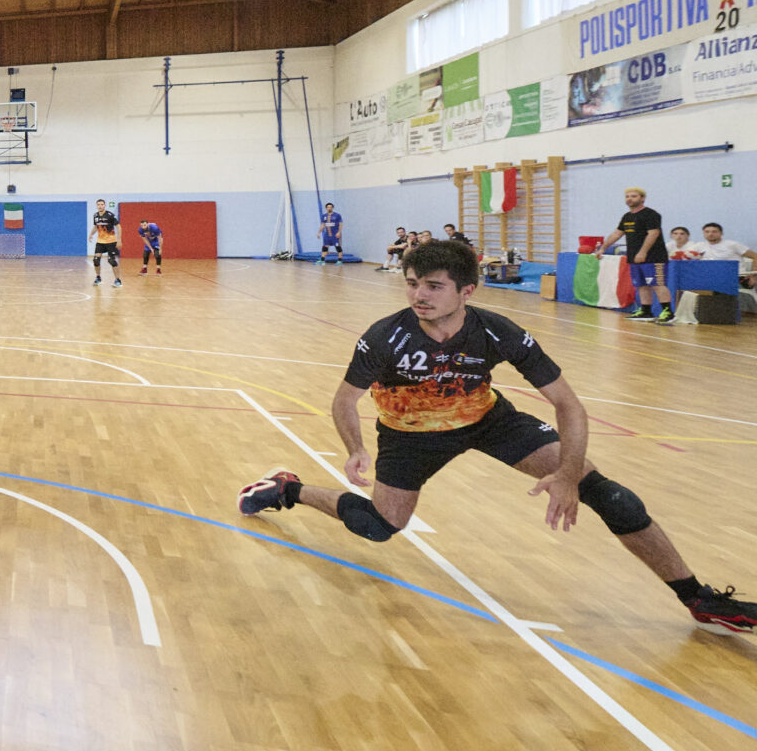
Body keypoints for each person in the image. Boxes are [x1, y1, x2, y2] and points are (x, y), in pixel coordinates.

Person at [239, 239, 755, 635]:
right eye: (413, 282)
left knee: (610, 494)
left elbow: (568, 405)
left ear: (467, 291)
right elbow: (344, 399)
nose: (419, 294)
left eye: (434, 285)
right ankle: (289, 488)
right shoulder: (385, 337)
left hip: (488, 419)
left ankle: (698, 599)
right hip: (409, 434)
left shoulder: (496, 331)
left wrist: (569, 474)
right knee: (378, 528)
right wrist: (356, 448)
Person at [598, 187, 673, 324]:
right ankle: (646, 311)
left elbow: (653, 233)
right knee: (641, 285)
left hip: (653, 257)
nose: (630, 199)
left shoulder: (651, 214)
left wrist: (643, 252)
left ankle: (668, 312)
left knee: (658, 284)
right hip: (634, 258)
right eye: (627, 196)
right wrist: (603, 247)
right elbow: (617, 234)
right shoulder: (627, 217)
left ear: (642, 198)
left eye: (633, 196)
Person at [91, 198, 122, 287]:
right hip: (100, 241)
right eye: (98, 204)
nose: (100, 206)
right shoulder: (96, 216)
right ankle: (98, 278)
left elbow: (119, 227)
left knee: (111, 260)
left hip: (111, 241)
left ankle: (118, 280)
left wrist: (119, 240)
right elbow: (96, 227)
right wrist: (91, 234)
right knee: (96, 260)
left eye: (102, 204)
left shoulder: (110, 215)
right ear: (96, 206)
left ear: (105, 205)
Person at [319, 201, 344, 265]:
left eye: (330, 207)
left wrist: (339, 232)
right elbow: (322, 225)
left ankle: (340, 261)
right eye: (328, 207)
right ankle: (322, 260)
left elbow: (341, 224)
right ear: (326, 208)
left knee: (337, 247)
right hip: (327, 235)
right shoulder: (324, 216)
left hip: (335, 234)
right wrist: (319, 232)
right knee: (325, 247)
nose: (329, 208)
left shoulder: (337, 215)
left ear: (332, 208)